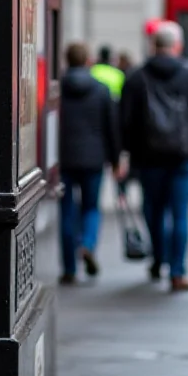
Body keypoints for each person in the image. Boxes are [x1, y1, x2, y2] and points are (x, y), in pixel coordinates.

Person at [120, 21, 188, 291]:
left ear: (153, 45)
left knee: (153, 209)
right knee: (180, 213)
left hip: (148, 156)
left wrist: (128, 152)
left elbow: (125, 121)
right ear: (177, 46)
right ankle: (178, 271)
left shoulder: (137, 76)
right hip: (182, 156)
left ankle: (158, 258)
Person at [59, 42, 121, 284]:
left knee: (66, 212)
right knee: (91, 208)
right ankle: (87, 244)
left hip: (63, 158)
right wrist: (116, 160)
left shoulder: (57, 88)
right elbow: (111, 128)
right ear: (88, 61)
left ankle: (69, 268)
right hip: (94, 158)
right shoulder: (102, 90)